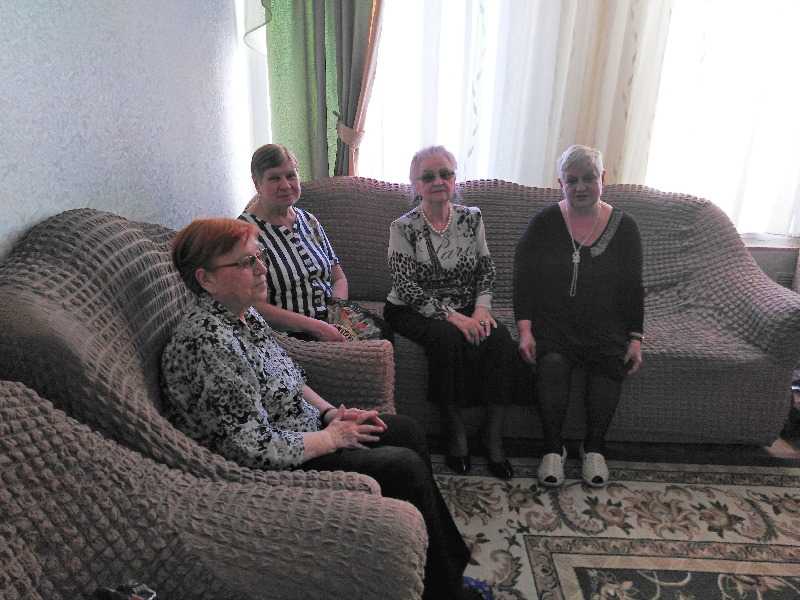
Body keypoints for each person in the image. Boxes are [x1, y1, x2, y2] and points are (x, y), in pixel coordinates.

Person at [161, 218, 484, 600]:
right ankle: (446, 592)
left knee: (406, 430)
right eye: (247, 263)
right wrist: (331, 438)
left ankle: (446, 568)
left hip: (302, 428)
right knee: (402, 466)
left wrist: (332, 413)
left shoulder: (242, 315)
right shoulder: (208, 343)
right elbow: (250, 447)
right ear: (207, 279)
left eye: (260, 257)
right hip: (274, 459)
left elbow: (289, 376)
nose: (262, 269)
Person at [513, 144, 644, 488]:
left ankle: (594, 448)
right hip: (554, 322)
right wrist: (525, 331)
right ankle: (552, 448)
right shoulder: (544, 223)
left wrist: (635, 338)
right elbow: (523, 280)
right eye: (572, 180)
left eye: (589, 178)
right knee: (552, 365)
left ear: (603, 178)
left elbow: (633, 287)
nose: (581, 187)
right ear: (561, 183)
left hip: (607, 324)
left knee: (609, 365)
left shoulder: (625, 227)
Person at [384, 145, 515, 480]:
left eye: (445, 174)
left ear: (455, 179)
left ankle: (492, 435)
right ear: (415, 185)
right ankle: (455, 433)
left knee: (500, 338)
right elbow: (407, 286)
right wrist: (456, 318)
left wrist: (482, 310)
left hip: (467, 304)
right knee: (447, 338)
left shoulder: (472, 218)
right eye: (428, 176)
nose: (438, 181)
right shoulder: (403, 227)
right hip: (411, 308)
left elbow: (486, 268)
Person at [239, 143, 348, 341]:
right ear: (257, 183)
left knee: (382, 333)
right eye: (274, 178)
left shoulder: (309, 220)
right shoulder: (244, 234)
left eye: (290, 175)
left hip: (332, 323)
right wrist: (317, 328)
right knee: (372, 353)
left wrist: (336, 313)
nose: (285, 185)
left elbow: (338, 278)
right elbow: (254, 306)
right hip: (290, 337)